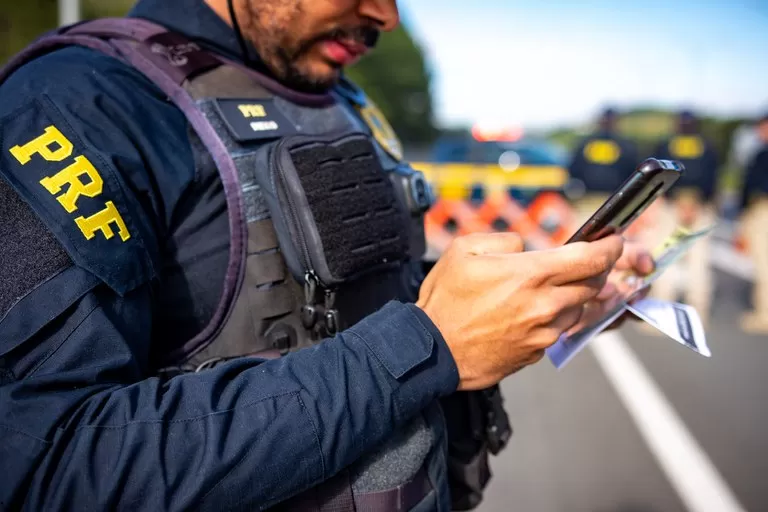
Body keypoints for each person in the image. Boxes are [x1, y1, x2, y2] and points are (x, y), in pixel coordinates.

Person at [0, 0, 654, 510]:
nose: (385, 16)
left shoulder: (339, 97)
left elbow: (353, 307)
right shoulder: (76, 104)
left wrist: (532, 298)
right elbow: (43, 464)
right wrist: (426, 347)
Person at [645, 110, 719, 327]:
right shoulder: (706, 145)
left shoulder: (667, 144)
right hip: (700, 205)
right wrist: (698, 202)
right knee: (699, 260)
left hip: (672, 205)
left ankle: (661, 312)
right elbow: (713, 176)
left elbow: (657, 175)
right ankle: (698, 314)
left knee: (665, 256)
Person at [567, 107, 639, 223]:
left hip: (588, 200)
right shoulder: (626, 144)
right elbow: (634, 170)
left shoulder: (585, 143)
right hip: (616, 199)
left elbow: (573, 169)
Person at [738, 113, 768, 334]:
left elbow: (749, 185)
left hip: (762, 210)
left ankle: (764, 315)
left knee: (764, 264)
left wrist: (743, 213)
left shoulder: (761, 154)